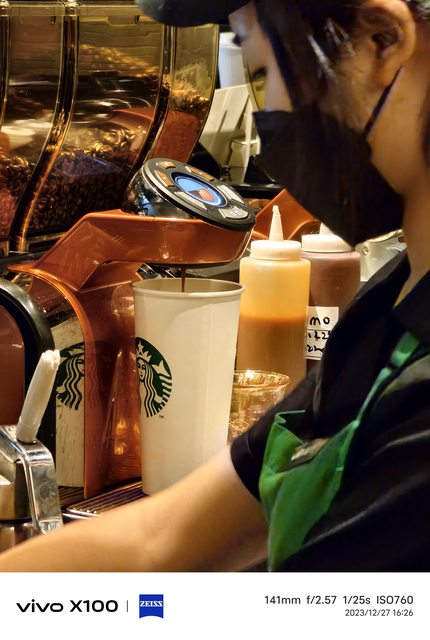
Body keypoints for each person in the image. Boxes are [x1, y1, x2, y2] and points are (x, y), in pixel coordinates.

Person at [1, 0, 430, 572]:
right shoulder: (387, 308)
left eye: (264, 75)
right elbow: (161, 539)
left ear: (382, 40)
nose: (270, 113)